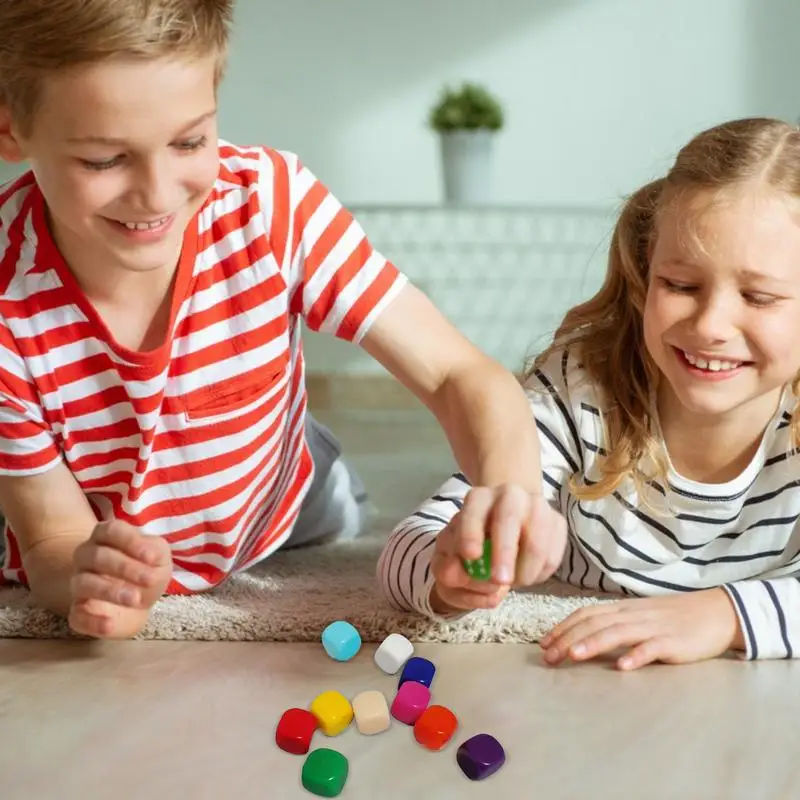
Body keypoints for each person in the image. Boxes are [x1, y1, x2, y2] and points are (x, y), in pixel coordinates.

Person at [0, 0, 565, 639]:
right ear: (11, 129)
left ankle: (316, 463)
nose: (157, 194)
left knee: (336, 499)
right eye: (104, 161)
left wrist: (513, 491)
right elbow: (53, 537)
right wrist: (85, 578)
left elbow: (456, 373)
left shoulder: (270, 204)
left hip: (286, 497)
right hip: (104, 515)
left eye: (189, 142)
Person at [379, 116, 800, 668]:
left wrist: (723, 615)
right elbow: (406, 545)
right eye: (680, 285)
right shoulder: (580, 391)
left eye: (759, 296)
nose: (711, 325)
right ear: (646, 273)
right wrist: (446, 573)